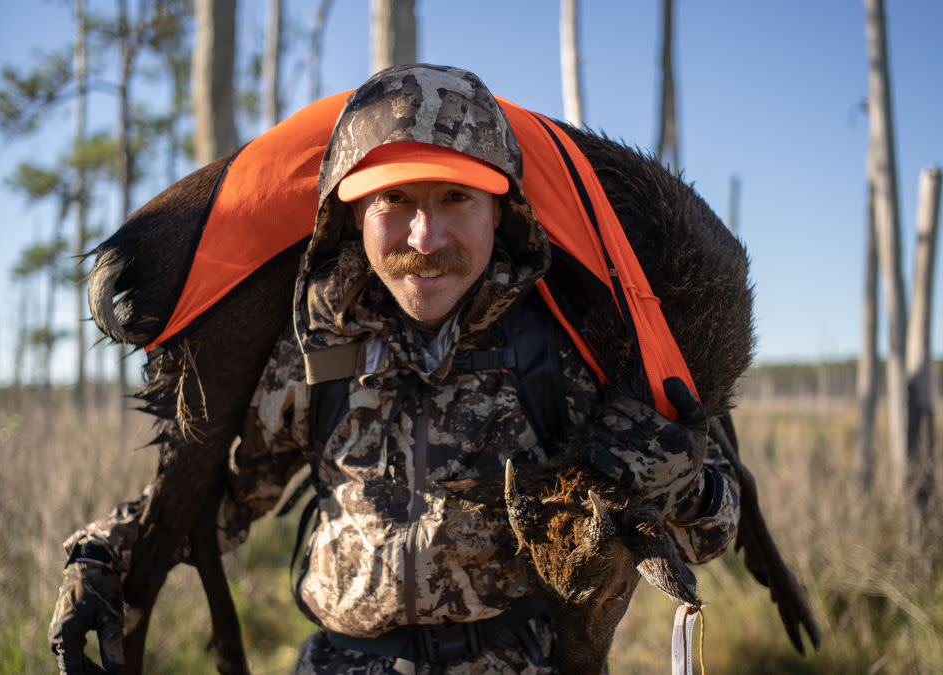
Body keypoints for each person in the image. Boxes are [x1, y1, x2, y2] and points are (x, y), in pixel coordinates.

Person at [50, 63, 740, 674]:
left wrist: (672, 486)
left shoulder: (565, 347)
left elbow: (709, 529)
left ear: (501, 208)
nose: (425, 237)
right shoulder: (312, 349)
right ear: (352, 213)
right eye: (396, 200)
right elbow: (229, 501)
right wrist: (103, 556)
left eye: (455, 198)